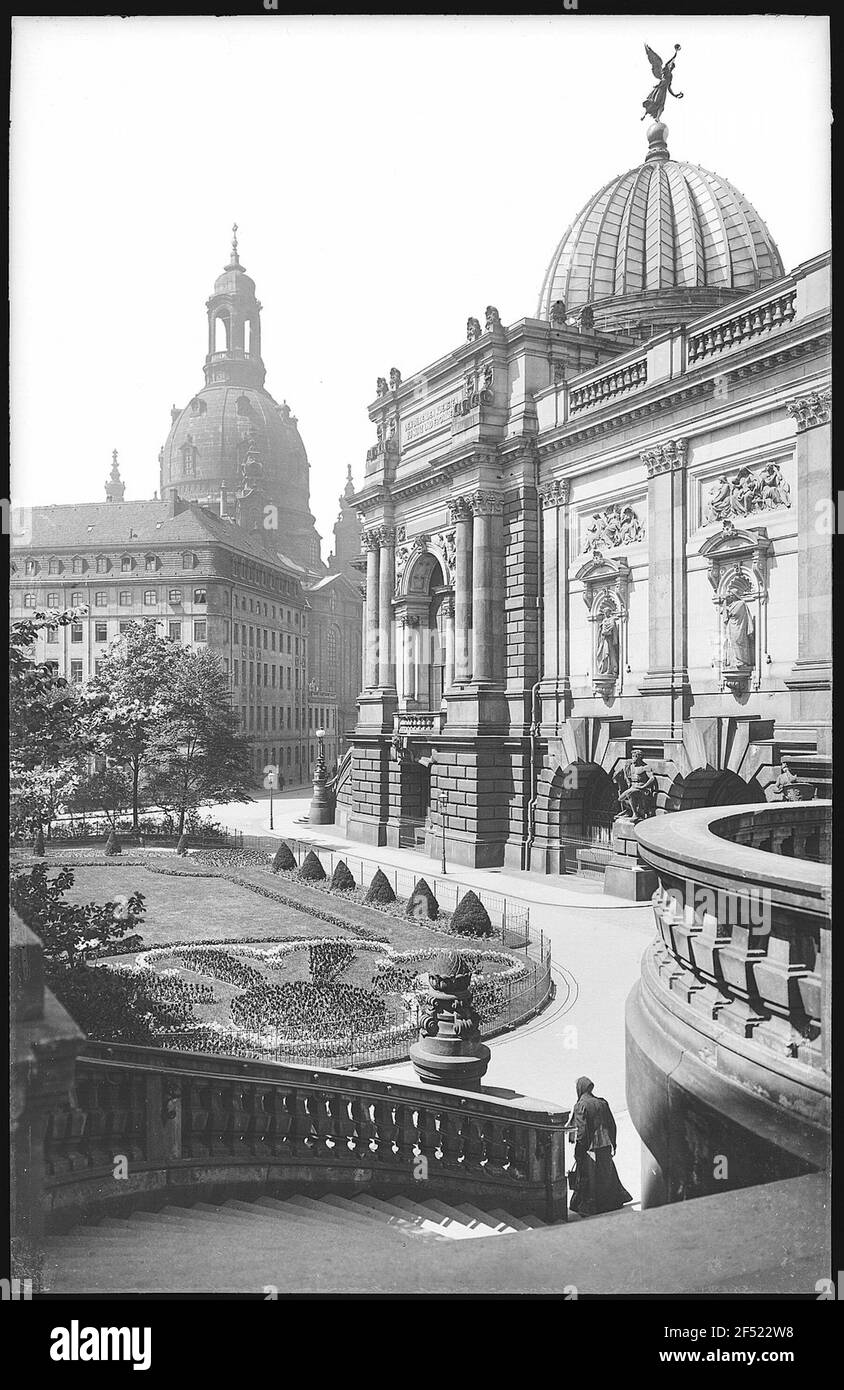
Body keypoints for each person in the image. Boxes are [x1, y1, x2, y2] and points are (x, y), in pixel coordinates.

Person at [568, 1076, 632, 1216]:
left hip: (590, 1148)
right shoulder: (602, 1103)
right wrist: (613, 1143)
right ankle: (612, 1203)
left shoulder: (580, 1105)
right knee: (606, 1174)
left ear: (580, 1089)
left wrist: (579, 1150)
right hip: (605, 1144)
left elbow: (582, 1131)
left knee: (588, 1177)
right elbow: (612, 1125)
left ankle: (589, 1207)